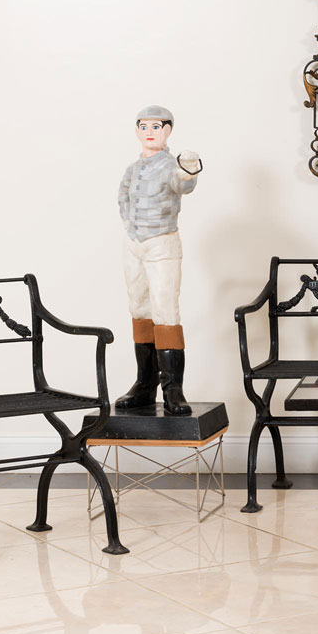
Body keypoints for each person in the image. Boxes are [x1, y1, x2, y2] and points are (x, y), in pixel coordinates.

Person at [115, 105, 202, 415]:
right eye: (143, 126)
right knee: (139, 309)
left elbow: (183, 184)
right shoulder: (132, 168)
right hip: (134, 243)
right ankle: (145, 383)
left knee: (165, 311)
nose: (149, 132)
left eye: (156, 126)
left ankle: (173, 388)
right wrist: (129, 223)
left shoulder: (170, 166)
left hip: (162, 243)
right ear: (137, 131)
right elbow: (123, 195)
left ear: (167, 130)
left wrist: (189, 169)